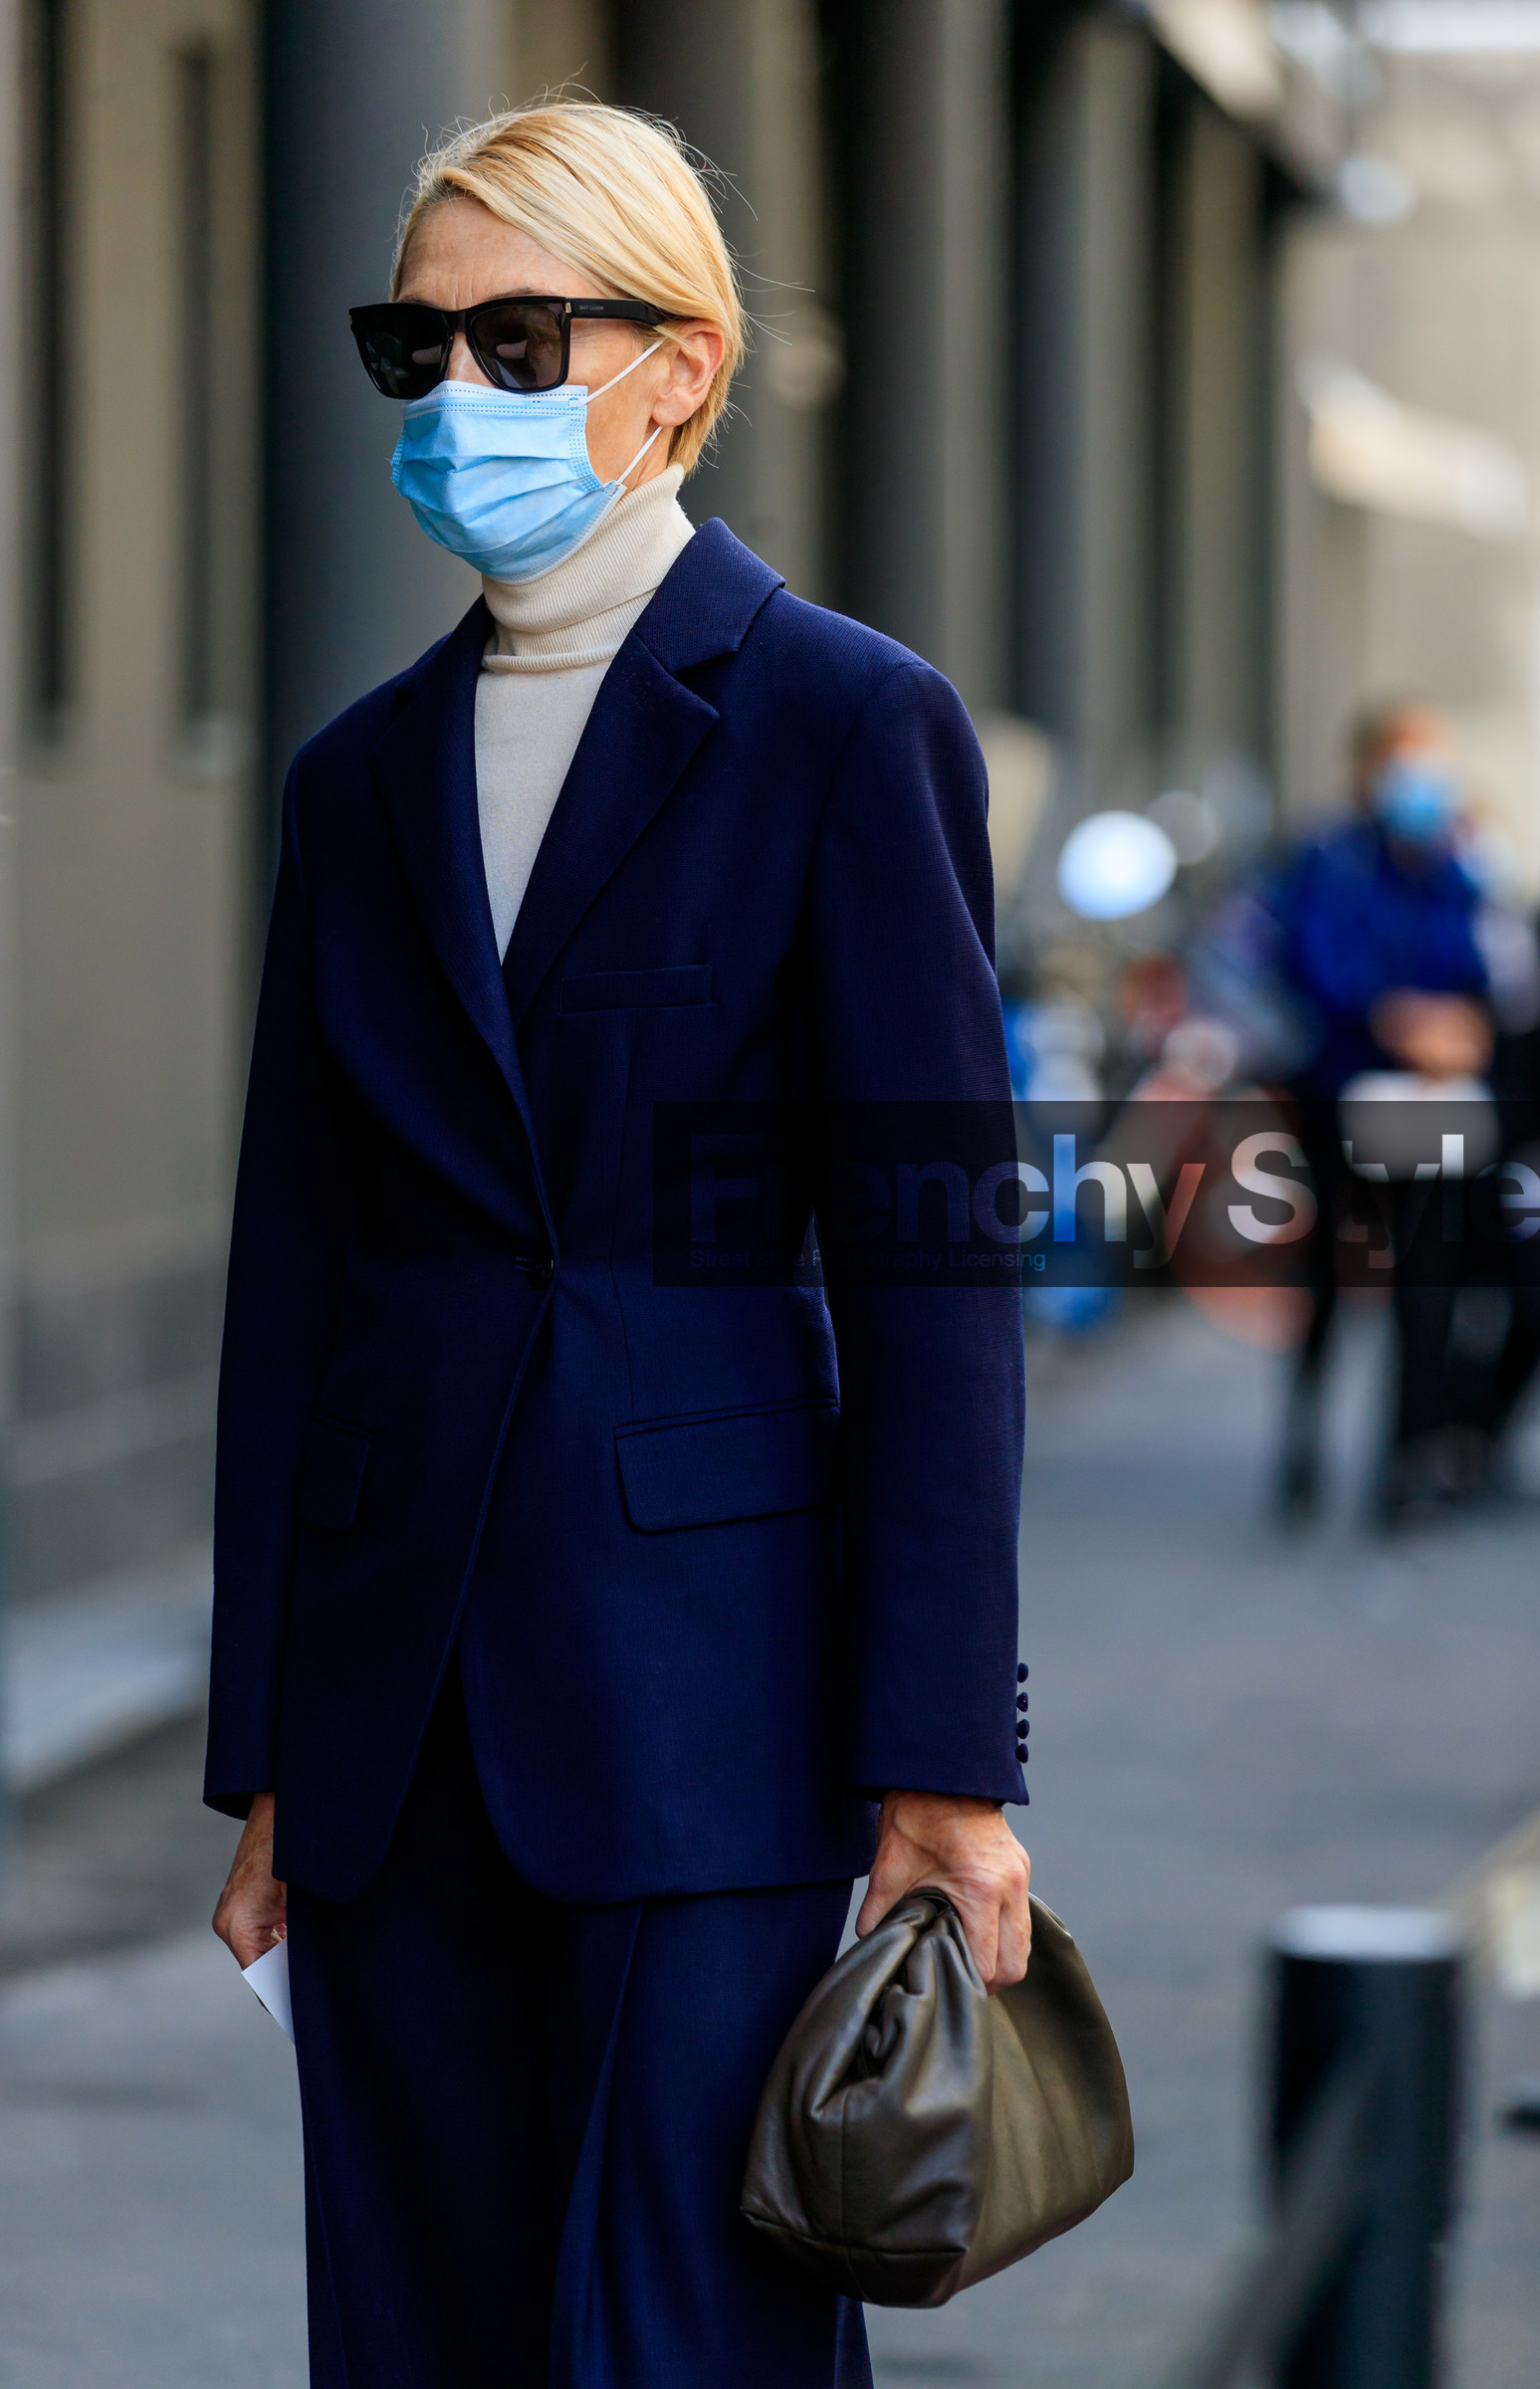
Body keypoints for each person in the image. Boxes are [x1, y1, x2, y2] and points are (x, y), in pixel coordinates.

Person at [205, 102, 1031, 2389]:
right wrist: (267, 1740)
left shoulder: (844, 724)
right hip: (388, 1732)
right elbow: (302, 1270)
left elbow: (933, 1286)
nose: (456, 395)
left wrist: (943, 1761)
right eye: (418, 343)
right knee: (414, 2336)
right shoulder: (353, 781)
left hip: (712, 1710)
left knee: (687, 2342)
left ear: (676, 363)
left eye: (516, 335)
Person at [1270, 702, 1498, 1524]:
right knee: (1330, 1276)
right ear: (1367, 768)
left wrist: (1462, 1026)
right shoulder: (1328, 860)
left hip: (1426, 1106)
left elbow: (1484, 965)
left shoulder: (1453, 862)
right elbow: (1314, 962)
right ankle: (1303, 1447)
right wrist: (1395, 1017)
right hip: (1338, 1097)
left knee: (1426, 1282)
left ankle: (1405, 1462)